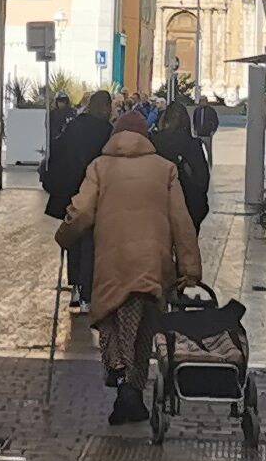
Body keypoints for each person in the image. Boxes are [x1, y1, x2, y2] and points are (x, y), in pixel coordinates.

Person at [56, 105, 201, 425]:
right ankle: (131, 389)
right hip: (154, 265)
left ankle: (121, 378)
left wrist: (64, 236)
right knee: (143, 331)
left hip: (112, 264)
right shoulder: (165, 169)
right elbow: (182, 221)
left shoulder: (100, 167)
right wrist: (189, 268)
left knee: (109, 319)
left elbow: (80, 213)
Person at [39, 88, 116, 307]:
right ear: (104, 107)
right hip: (95, 195)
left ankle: (76, 286)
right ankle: (87, 289)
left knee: (74, 240)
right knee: (92, 241)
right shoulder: (107, 132)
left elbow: (56, 154)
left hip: (70, 195)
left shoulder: (73, 127)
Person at [146, 95, 213, 229]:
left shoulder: (153, 143)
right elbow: (203, 179)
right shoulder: (193, 145)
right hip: (189, 208)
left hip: (159, 209)